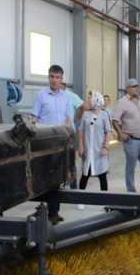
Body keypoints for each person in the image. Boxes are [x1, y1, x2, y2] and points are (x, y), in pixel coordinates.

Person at [32, 64, 74, 224]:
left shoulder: (66, 97)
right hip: (44, 145)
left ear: (62, 79)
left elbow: (68, 119)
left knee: (57, 179)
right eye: (52, 77)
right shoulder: (41, 95)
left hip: (60, 144)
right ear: (48, 77)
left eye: (57, 77)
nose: (54, 80)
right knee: (43, 178)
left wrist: (68, 138)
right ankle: (43, 210)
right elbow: (35, 118)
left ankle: (54, 212)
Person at [112, 79, 140, 193]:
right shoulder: (122, 102)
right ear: (128, 89)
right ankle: (131, 191)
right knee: (131, 168)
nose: (136, 88)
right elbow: (115, 120)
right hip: (131, 141)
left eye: (137, 86)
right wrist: (121, 134)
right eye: (134, 86)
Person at [78, 90, 112, 195]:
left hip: (99, 150)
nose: (88, 100)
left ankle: (104, 199)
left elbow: (108, 132)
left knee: (102, 175)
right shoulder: (85, 114)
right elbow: (81, 130)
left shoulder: (104, 115)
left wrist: (106, 147)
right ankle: (80, 198)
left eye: (90, 98)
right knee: (85, 174)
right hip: (88, 150)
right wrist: (80, 145)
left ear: (96, 99)